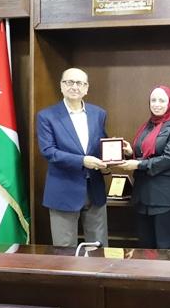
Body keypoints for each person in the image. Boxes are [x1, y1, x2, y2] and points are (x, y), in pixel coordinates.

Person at [37, 67, 114, 247]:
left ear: (86, 88)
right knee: (65, 251)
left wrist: (117, 152)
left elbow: (101, 145)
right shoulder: (46, 116)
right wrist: (82, 161)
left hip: (94, 190)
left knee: (98, 249)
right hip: (63, 190)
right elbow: (49, 151)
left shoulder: (98, 114)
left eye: (79, 83)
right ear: (61, 86)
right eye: (69, 82)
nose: (74, 87)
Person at [119, 86, 170, 249]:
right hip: (143, 194)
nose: (157, 104)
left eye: (162, 100)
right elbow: (143, 155)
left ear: (169, 103)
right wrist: (130, 153)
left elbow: (169, 159)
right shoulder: (146, 127)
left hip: (165, 196)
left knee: (164, 244)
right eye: (153, 100)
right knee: (145, 244)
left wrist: (138, 164)